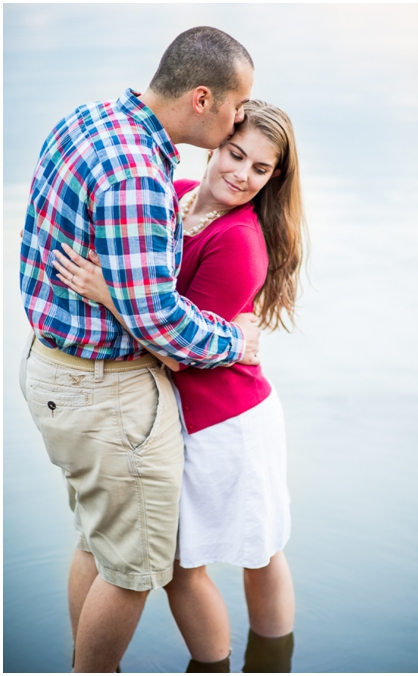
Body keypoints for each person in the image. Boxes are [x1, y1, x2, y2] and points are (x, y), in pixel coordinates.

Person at [19, 27, 260, 673]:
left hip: (51, 368)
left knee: (99, 546)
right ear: (203, 99)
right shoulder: (138, 175)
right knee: (133, 570)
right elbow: (157, 318)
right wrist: (232, 341)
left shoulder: (88, 120)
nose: (241, 119)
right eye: (238, 105)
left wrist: (115, 293)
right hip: (109, 394)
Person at [53, 100, 306, 673]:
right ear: (215, 143)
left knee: (253, 550)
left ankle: (270, 660)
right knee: (181, 561)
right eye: (236, 154)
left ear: (273, 179)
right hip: (177, 414)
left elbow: (178, 350)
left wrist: (107, 294)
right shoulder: (181, 192)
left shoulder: (240, 242)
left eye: (260, 169)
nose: (241, 174)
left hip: (227, 421)